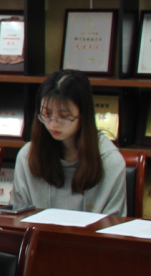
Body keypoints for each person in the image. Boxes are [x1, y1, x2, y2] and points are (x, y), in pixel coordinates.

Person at [9, 69, 126, 215]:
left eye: (64, 116)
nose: (53, 124)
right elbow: (17, 217)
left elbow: (114, 224)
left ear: (83, 115)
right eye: (47, 114)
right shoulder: (28, 156)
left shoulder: (111, 162)